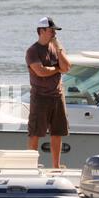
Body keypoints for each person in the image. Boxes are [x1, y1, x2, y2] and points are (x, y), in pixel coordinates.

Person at [25, 17, 71, 168]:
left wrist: (58, 49)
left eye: (54, 31)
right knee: (35, 133)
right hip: (40, 97)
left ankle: (56, 166)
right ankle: (31, 166)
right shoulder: (32, 51)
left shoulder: (56, 47)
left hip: (57, 95)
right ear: (41, 31)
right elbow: (41, 72)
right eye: (51, 30)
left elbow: (67, 67)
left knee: (57, 132)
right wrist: (57, 69)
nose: (54, 33)